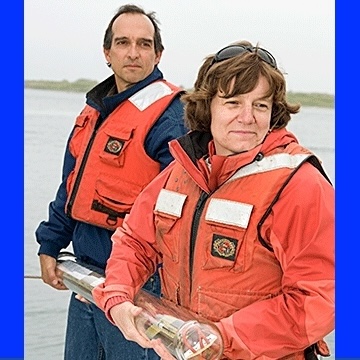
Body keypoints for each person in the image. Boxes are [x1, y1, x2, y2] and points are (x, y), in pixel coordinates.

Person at [92, 40, 335, 360]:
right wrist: (119, 297)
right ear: (208, 107)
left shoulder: (300, 186)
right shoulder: (181, 173)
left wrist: (222, 338)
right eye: (233, 103)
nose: (248, 117)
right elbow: (135, 240)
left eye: (261, 105)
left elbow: (321, 296)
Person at [35, 4, 188, 360]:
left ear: (158, 53)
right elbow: (71, 187)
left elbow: (177, 209)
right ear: (107, 52)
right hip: (85, 277)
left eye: (144, 44)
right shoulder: (94, 111)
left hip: (140, 286)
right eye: (122, 43)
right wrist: (50, 244)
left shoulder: (171, 116)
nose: (133, 53)